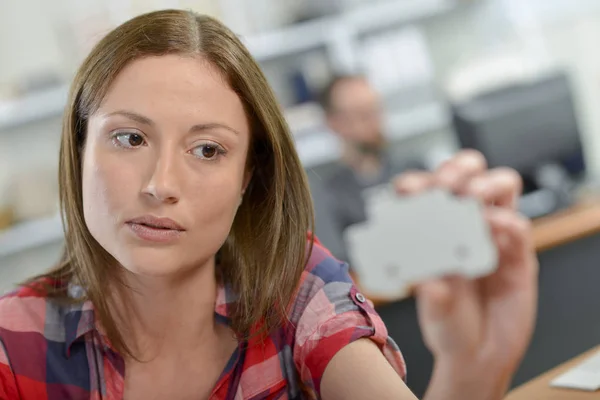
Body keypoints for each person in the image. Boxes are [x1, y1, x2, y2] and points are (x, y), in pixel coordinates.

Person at [0, 9, 537, 400]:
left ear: (246, 179)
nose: (160, 184)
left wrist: (470, 370)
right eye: (129, 139)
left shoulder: (294, 290)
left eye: (208, 149)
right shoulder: (12, 340)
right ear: (78, 150)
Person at [313, 75, 426, 261]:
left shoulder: (414, 170)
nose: (374, 122)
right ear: (334, 123)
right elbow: (339, 268)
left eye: (376, 110)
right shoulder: (328, 195)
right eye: (362, 114)